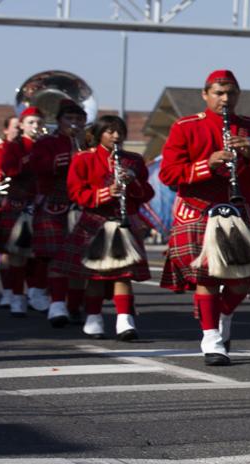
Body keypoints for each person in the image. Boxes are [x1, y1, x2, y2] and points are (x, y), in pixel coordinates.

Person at [158, 69, 250, 365]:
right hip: (199, 207)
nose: (226, 99)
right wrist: (207, 164)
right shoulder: (186, 126)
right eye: (219, 93)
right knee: (208, 276)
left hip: (241, 209)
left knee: (242, 280)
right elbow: (168, 174)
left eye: (231, 93)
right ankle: (211, 336)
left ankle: (222, 313)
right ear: (205, 95)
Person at [66, 115, 153, 340]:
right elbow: (76, 193)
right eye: (110, 131)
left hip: (125, 221)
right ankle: (93, 318)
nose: (116, 136)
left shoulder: (133, 160)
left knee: (122, 276)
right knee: (96, 276)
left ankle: (125, 321)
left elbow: (147, 194)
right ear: (98, 134)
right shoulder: (83, 159)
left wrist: (132, 180)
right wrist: (106, 193)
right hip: (96, 221)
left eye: (120, 131)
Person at [24, 100, 91, 327]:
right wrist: (65, 159)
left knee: (82, 260)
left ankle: (74, 306)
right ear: (60, 121)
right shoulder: (47, 143)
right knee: (57, 257)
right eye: (69, 119)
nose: (74, 123)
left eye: (78, 119)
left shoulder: (91, 142)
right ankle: (57, 304)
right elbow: (37, 167)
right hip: (55, 204)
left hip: (86, 204)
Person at [0, 109, 42, 315]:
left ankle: (33, 292)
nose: (36, 127)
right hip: (7, 202)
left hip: (37, 203)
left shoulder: (42, 145)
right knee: (10, 253)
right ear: (13, 127)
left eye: (37, 122)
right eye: (28, 123)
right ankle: (11, 293)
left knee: (36, 254)